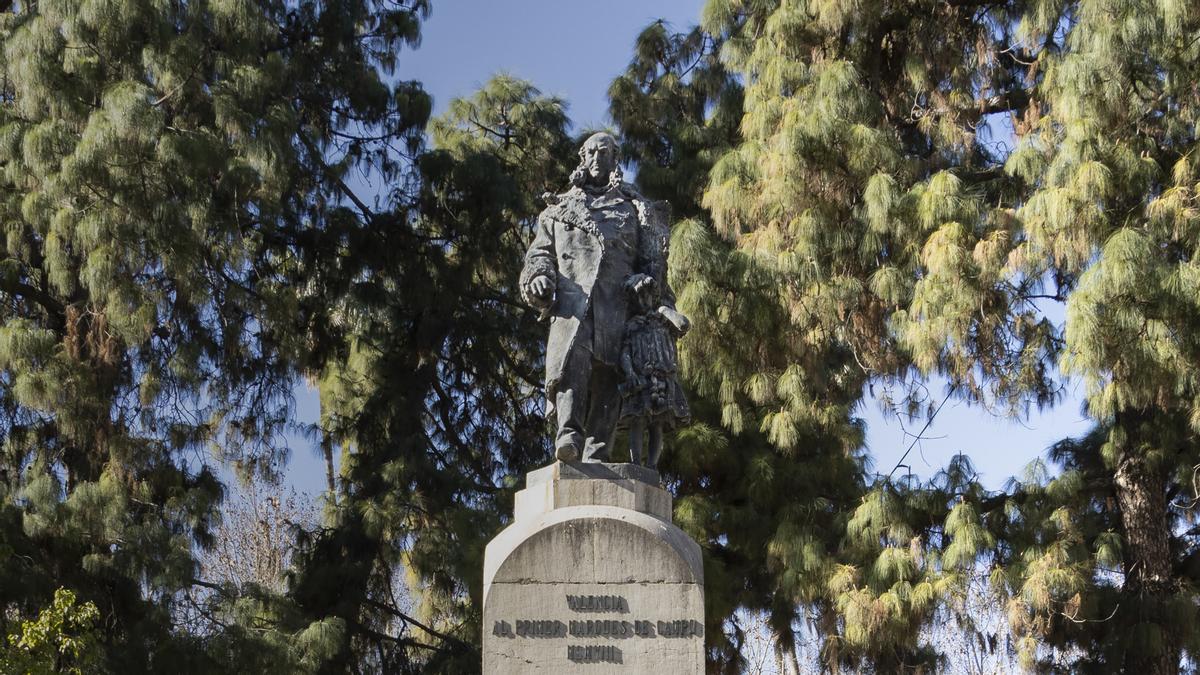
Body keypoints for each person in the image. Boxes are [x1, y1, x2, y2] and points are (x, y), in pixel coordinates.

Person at [520, 132, 675, 463]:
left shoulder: (635, 211)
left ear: (614, 159)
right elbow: (540, 255)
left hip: (616, 306)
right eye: (590, 152)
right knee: (570, 368)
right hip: (573, 306)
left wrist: (644, 283)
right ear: (582, 157)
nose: (595, 158)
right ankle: (568, 436)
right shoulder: (557, 211)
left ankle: (597, 452)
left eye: (603, 153)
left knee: (609, 379)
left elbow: (651, 265)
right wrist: (539, 278)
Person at [618, 276, 690, 468]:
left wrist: (666, 310)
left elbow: (683, 325)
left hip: (663, 377)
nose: (643, 301)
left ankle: (651, 466)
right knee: (637, 422)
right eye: (638, 297)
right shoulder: (631, 325)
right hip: (641, 379)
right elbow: (624, 352)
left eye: (646, 296)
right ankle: (635, 464)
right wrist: (630, 373)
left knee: (657, 425)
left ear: (653, 296)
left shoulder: (664, 320)